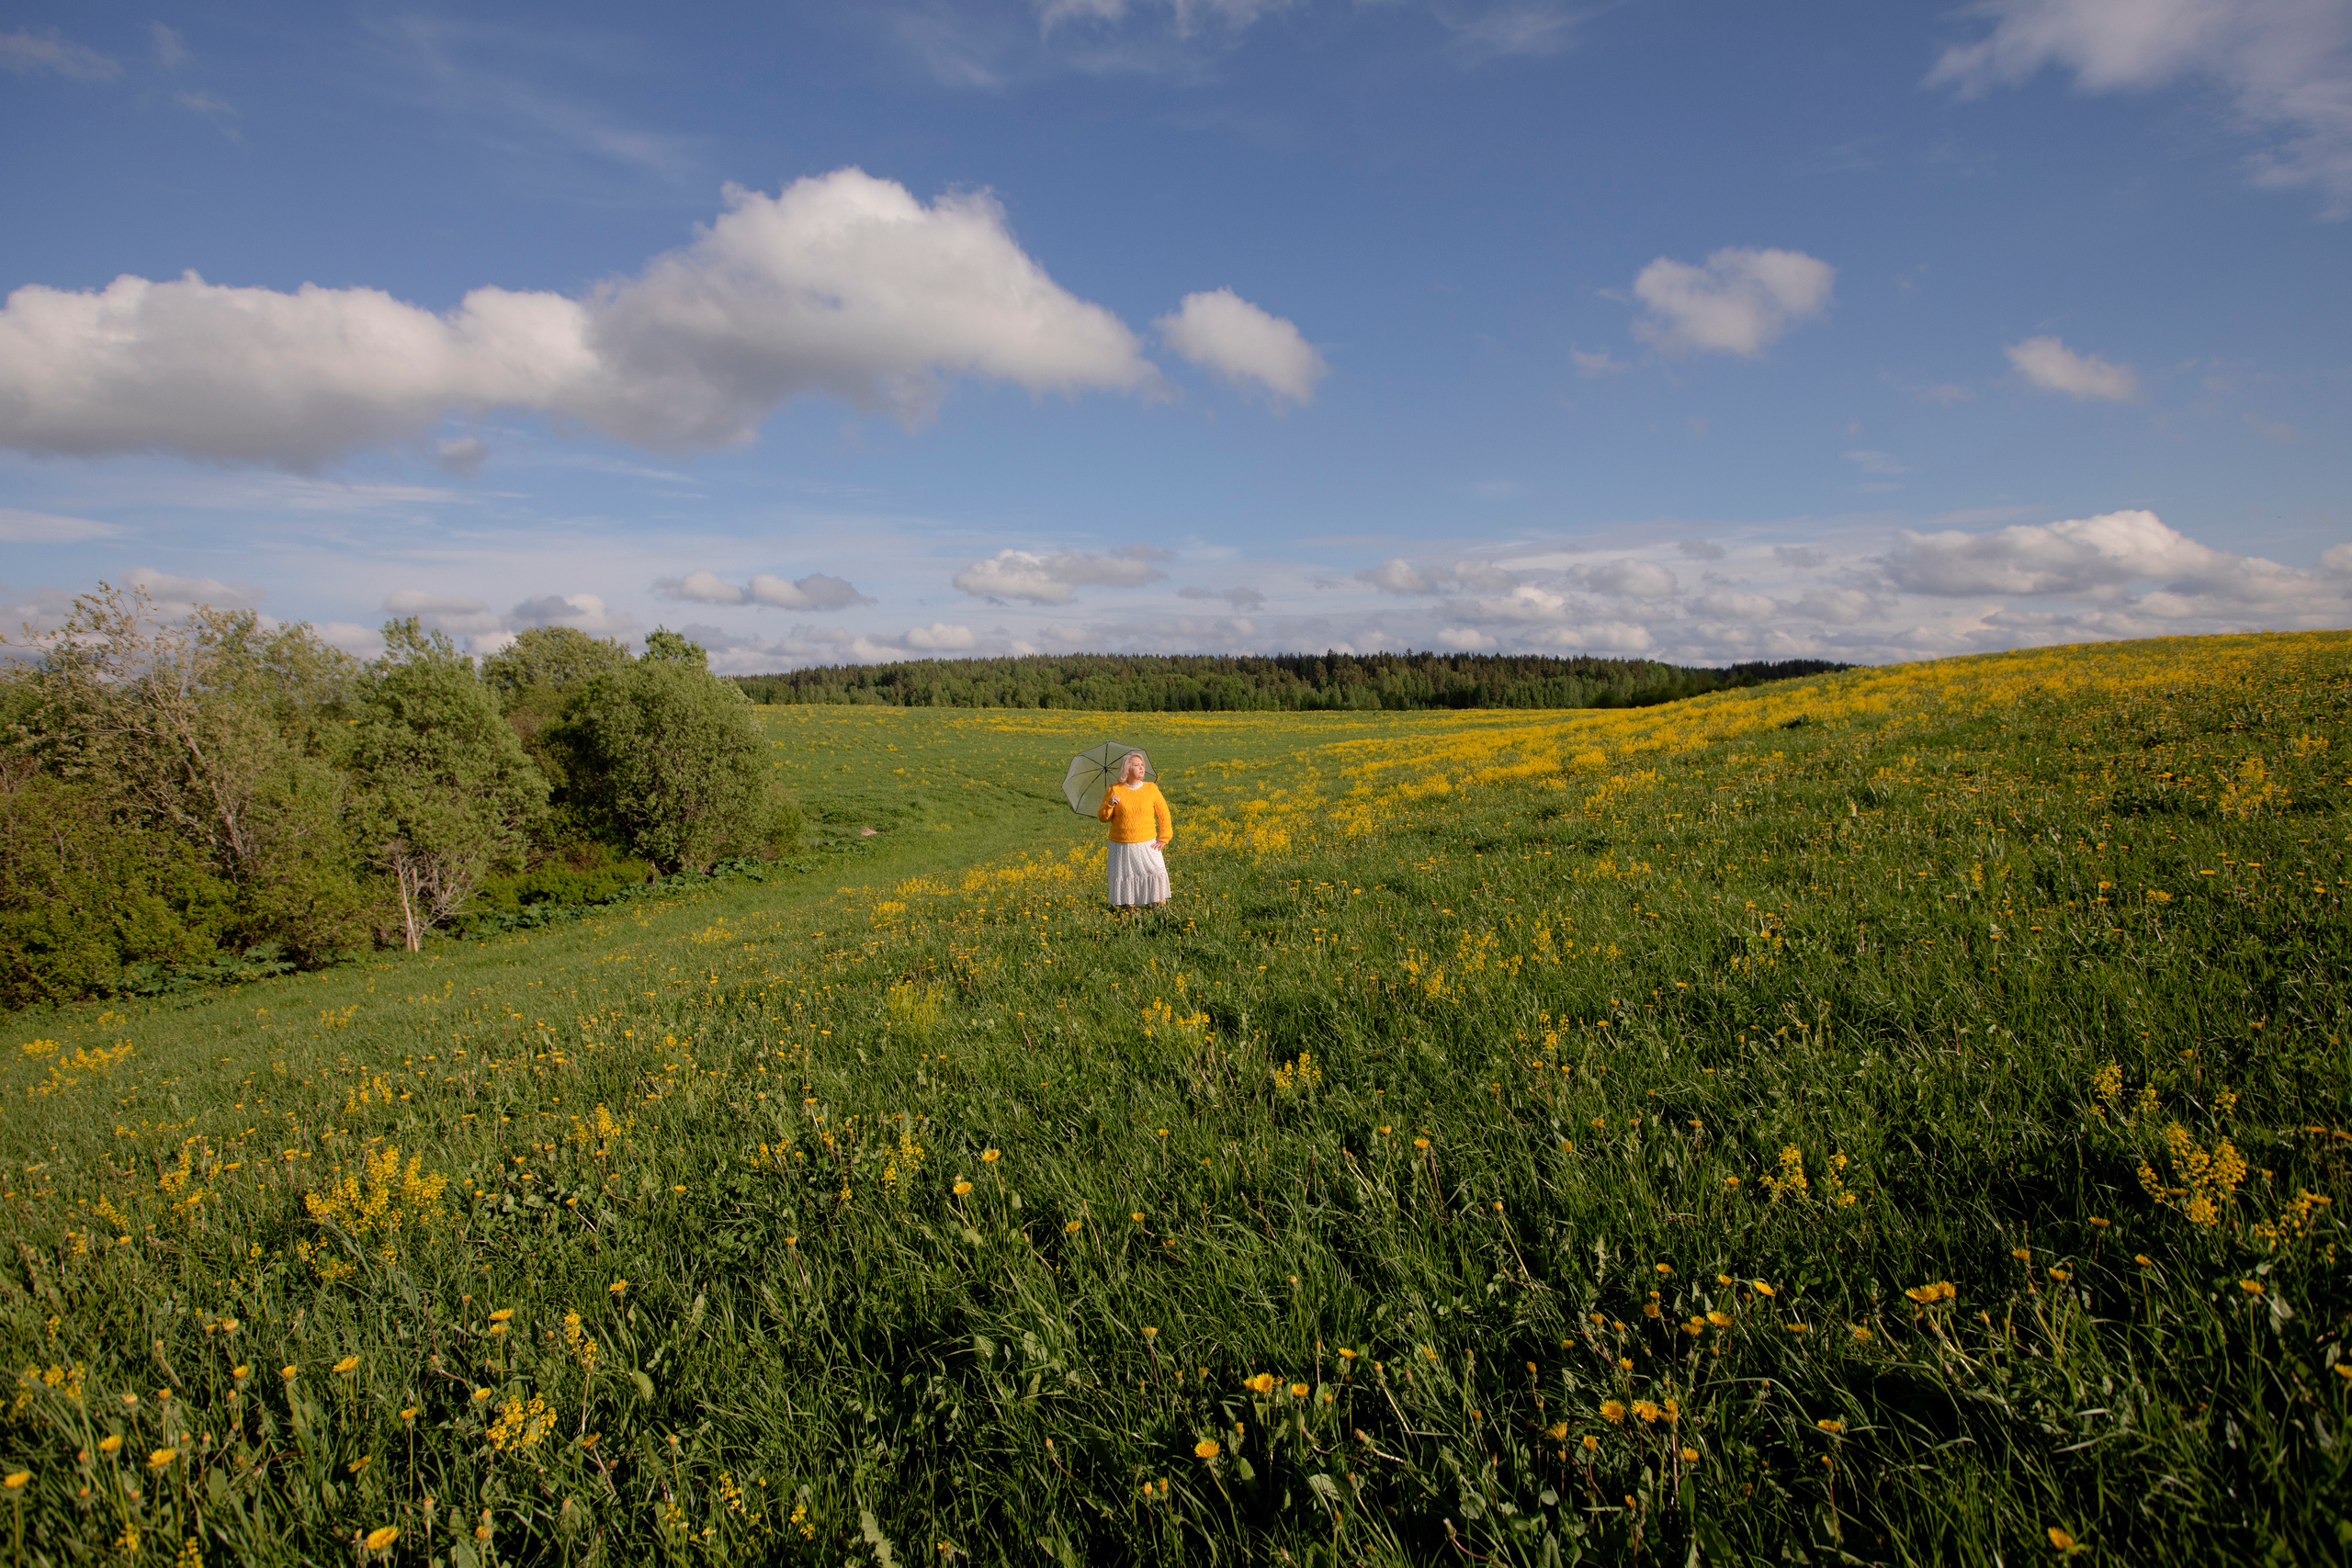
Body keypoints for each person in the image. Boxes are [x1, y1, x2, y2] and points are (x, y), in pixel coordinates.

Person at [1098, 750, 1171, 909]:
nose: (1141, 768)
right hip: (1121, 845)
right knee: (1127, 877)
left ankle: (1159, 908)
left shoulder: (1151, 788)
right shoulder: (1115, 789)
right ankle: (1130, 912)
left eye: (1142, 765)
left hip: (1147, 843)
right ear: (1127, 769)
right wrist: (1109, 804)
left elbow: (1164, 813)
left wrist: (1164, 837)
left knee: (1156, 871)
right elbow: (1103, 818)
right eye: (1136, 765)